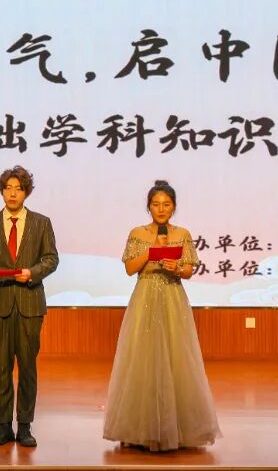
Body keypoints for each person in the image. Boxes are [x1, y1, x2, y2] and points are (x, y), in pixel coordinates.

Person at [102, 179, 221, 452]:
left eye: (166, 204)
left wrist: (176, 267)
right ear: (149, 207)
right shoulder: (137, 233)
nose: (161, 209)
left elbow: (188, 270)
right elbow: (130, 269)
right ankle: (138, 429)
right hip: (144, 298)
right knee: (141, 360)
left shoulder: (183, 233)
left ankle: (178, 429)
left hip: (172, 297)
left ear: (174, 207)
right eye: (156, 204)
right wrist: (151, 251)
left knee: (177, 359)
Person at [0, 166, 59, 448]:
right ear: (2, 191)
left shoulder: (41, 223)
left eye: (18, 189)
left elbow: (51, 259)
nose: (12, 193)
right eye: (8, 188)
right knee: (1, 368)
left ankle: (24, 426)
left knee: (27, 368)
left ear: (26, 193)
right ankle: (3, 426)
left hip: (30, 304)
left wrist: (32, 272)